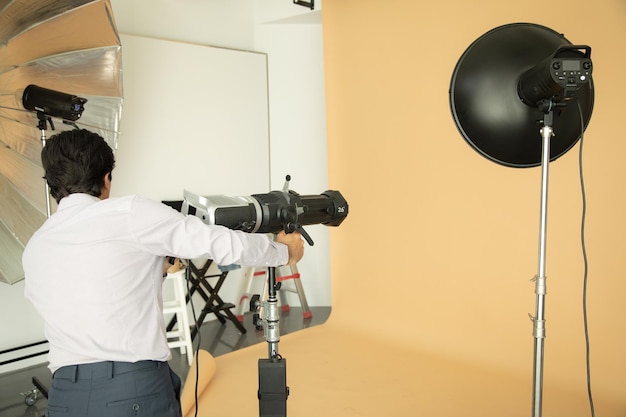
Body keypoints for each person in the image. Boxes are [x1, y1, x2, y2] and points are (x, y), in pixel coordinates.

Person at [23, 129, 304, 417]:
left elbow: (86, 291)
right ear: (105, 178)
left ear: (53, 184)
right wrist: (282, 251)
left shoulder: (35, 246)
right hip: (130, 389)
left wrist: (155, 268)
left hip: (64, 398)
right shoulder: (129, 211)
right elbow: (217, 242)